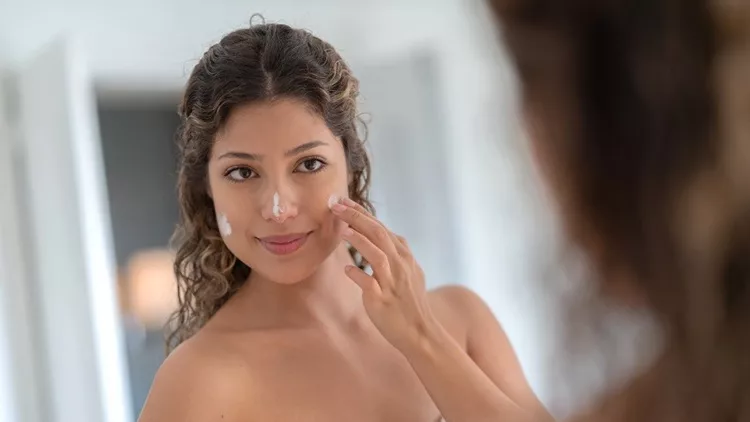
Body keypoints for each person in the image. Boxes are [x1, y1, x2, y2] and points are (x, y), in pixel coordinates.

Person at [138, 21, 548, 422]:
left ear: (350, 168)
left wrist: (421, 338)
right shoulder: (199, 381)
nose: (278, 208)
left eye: (309, 164)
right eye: (243, 172)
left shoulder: (461, 322)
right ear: (207, 187)